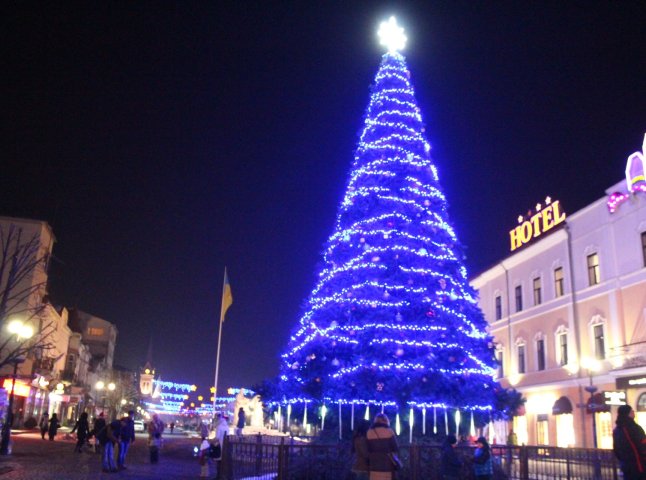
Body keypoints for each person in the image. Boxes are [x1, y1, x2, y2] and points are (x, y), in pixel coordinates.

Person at [613, 404, 646, 480]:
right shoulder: (632, 428)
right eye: (632, 411)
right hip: (639, 466)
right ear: (628, 413)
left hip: (626, 466)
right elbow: (642, 445)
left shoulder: (617, 430)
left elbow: (616, 450)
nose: (633, 413)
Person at [366, 413, 399, 480]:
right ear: (386, 421)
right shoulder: (389, 431)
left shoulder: (369, 432)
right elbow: (395, 447)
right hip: (387, 463)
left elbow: (367, 448)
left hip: (374, 463)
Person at [215, 414, 229, 480]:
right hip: (225, 445)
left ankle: (218, 476)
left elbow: (217, 437)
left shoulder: (219, 426)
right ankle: (223, 475)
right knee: (224, 461)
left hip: (219, 445)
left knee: (218, 461)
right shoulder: (227, 426)